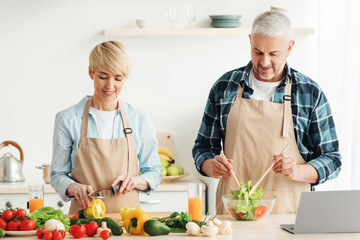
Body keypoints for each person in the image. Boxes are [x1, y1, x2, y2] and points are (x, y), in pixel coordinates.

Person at [192, 11, 341, 214]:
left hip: (290, 215)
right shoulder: (224, 87)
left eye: (273, 54)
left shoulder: (309, 93)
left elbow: (332, 159)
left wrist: (297, 170)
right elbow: (202, 147)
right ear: (250, 40)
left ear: (290, 47)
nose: (264, 62)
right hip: (234, 215)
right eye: (258, 52)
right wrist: (211, 166)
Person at [51, 41, 162, 214]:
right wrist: (73, 187)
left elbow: (154, 172)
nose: (110, 86)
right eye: (103, 76)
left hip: (130, 221)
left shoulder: (139, 118)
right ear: (91, 72)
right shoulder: (68, 119)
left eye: (118, 78)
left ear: (125, 77)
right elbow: (57, 174)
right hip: (82, 223)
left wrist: (135, 181)